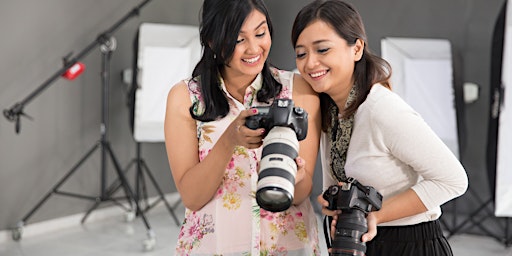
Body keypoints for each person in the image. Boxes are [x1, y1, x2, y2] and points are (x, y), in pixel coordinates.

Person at [290, 0, 469, 255]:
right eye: (301, 53)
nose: (310, 63)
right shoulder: (330, 109)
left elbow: (453, 180)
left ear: (357, 48)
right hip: (360, 242)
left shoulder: (381, 109)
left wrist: (376, 215)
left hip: (411, 245)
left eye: (323, 50)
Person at [164, 0, 322, 255]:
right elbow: (192, 197)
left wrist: (298, 175)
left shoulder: (297, 89)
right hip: (216, 248)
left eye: (260, 33)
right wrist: (228, 141)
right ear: (214, 42)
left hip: (287, 246)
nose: (254, 48)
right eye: (238, 40)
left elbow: (302, 193)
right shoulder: (185, 97)